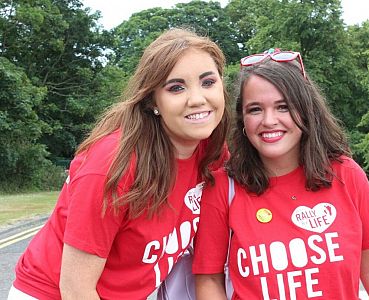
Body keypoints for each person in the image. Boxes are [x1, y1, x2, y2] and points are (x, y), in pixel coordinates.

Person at [8, 28, 231, 299]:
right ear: (152, 101)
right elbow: (76, 289)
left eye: (208, 82)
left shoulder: (212, 153)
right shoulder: (114, 164)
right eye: (176, 87)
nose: (197, 99)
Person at [193, 48, 369, 299]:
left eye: (283, 107)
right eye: (255, 109)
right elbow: (209, 279)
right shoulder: (223, 188)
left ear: (306, 111)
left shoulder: (346, 174)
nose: (269, 120)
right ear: (243, 119)